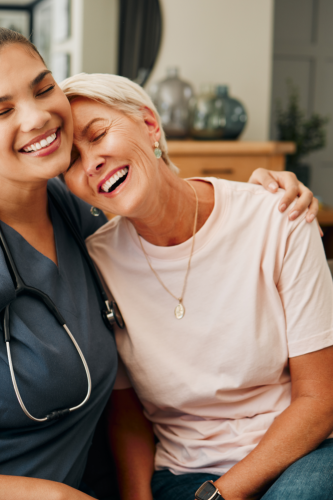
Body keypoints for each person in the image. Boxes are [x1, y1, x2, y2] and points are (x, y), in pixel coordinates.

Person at [0, 25, 319, 500]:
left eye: (43, 88)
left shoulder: (74, 204)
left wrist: (259, 195)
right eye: (2, 110)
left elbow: (162, 200)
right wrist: (43, 496)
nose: (36, 117)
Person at [60, 73, 333, 500]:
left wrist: (220, 496)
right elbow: (127, 412)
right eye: (70, 162)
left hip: (302, 457)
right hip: (183, 476)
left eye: (97, 136)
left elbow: (320, 400)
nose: (90, 162)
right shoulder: (96, 263)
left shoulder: (277, 217)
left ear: (150, 125)